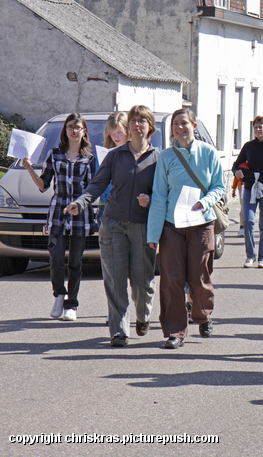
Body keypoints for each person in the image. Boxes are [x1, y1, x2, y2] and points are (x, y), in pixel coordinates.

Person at [66, 105, 158, 347]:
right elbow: (97, 185)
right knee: (115, 280)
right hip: (113, 223)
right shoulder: (115, 156)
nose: (138, 125)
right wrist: (81, 202)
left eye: (142, 121)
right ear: (128, 127)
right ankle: (119, 331)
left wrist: (152, 200)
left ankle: (143, 314)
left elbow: (166, 193)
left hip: (143, 226)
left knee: (142, 281)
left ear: (150, 127)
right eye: (134, 120)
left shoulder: (159, 158)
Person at [147, 108, 225, 349]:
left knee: (199, 275)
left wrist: (205, 201)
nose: (180, 128)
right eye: (175, 125)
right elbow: (159, 196)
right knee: (171, 279)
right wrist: (153, 234)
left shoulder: (209, 153)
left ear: (194, 126)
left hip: (201, 224)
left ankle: (202, 315)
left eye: (184, 123)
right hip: (172, 226)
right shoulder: (166, 158)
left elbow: (219, 187)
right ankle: (175, 332)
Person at [23, 113, 96, 321]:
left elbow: (92, 190)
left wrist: (81, 205)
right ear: (65, 131)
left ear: (84, 132)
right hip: (58, 212)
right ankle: (59, 294)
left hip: (79, 213)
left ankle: (71, 305)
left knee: (75, 262)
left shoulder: (89, 159)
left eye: (78, 127)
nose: (74, 131)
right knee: (55, 260)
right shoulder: (55, 154)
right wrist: (29, 168)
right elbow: (43, 184)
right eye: (70, 127)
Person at [232, 116, 263, 268]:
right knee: (248, 221)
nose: (258, 130)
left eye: (261, 127)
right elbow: (236, 165)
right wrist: (237, 172)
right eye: (256, 127)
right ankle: (250, 255)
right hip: (249, 188)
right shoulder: (248, 146)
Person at [97, 112, 128, 222]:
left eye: (119, 132)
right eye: (112, 133)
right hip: (106, 209)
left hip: (126, 210)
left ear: (128, 131)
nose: (115, 137)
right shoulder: (103, 153)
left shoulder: (134, 153)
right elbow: (97, 182)